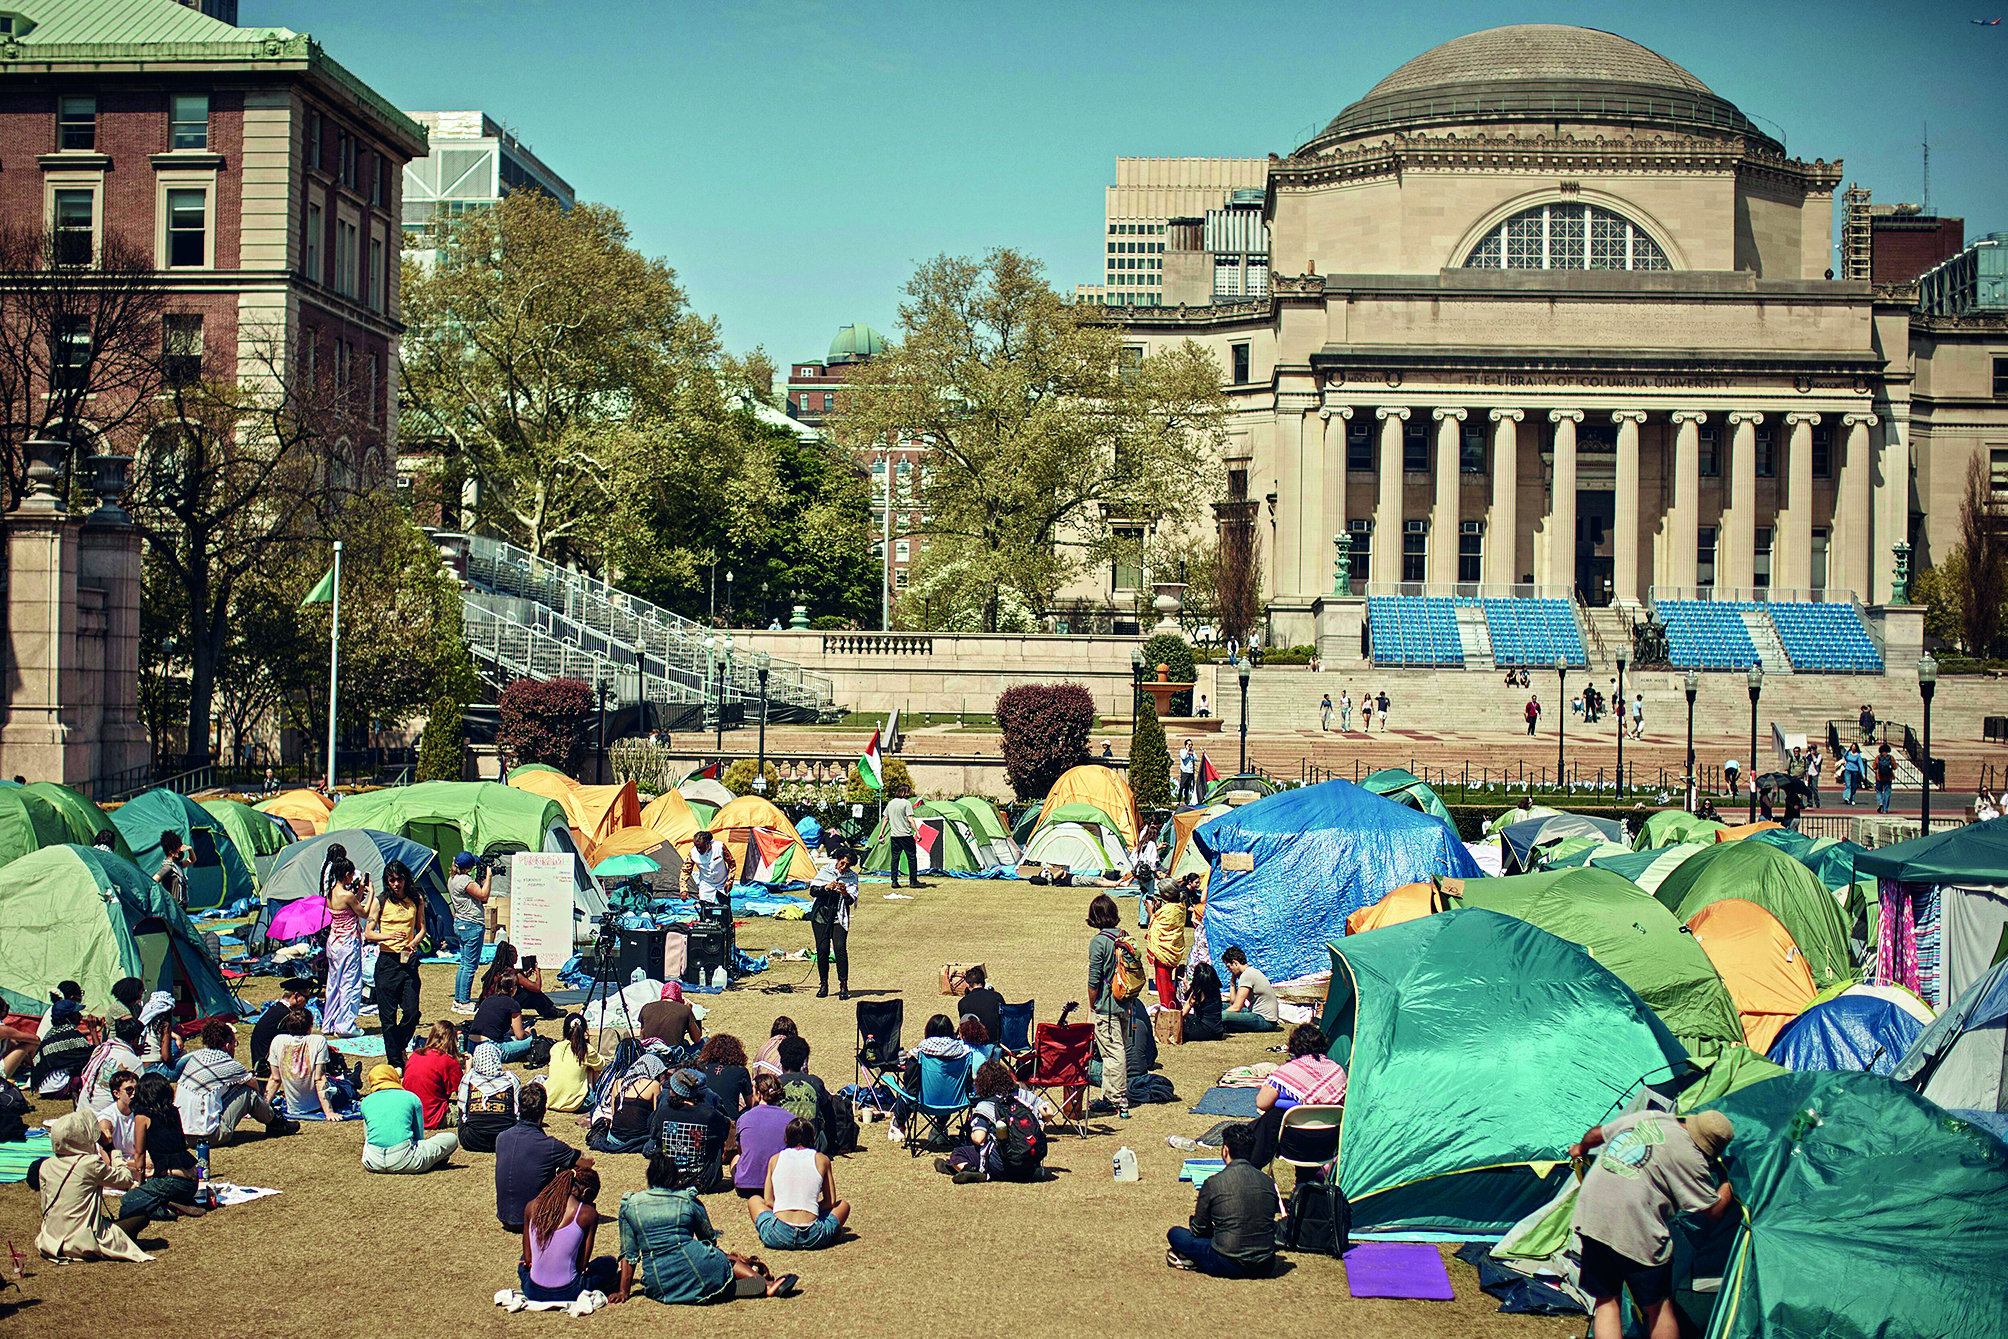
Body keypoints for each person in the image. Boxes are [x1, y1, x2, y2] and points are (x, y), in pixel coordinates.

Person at [1568, 1110, 1736, 1339]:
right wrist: (1730, 1180)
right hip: (1635, 1228)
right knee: (1658, 1307)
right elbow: (1714, 1212)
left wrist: (1581, 1148)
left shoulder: (1650, 1116)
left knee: (1607, 1299)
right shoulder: (1691, 1157)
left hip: (1592, 1215)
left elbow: (1597, 1134)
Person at [613, 1149, 799, 1305]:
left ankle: (712, 1286)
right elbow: (708, 1240)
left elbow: (629, 1255)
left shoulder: (630, 1205)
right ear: (673, 1177)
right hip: (697, 1265)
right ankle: (765, 1285)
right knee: (727, 1258)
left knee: (712, 1259)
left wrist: (623, 1291)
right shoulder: (687, 1200)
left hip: (660, 1285)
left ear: (650, 1177)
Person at [34, 1107, 150, 1263]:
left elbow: (45, 1206)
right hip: (83, 1242)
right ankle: (121, 1241)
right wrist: (111, 1148)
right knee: (142, 1215)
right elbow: (126, 1179)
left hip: (52, 1241)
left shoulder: (47, 1165)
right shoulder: (89, 1164)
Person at [1165, 1121, 1276, 1278]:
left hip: (1228, 1262)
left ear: (1225, 1150)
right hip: (1266, 1264)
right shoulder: (1267, 1182)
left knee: (1175, 1234)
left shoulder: (1214, 1182)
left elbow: (1199, 1230)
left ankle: (1191, 1259)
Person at [175, 1020, 294, 1145]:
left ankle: (275, 1121)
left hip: (182, 1135)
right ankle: (276, 1122)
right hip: (208, 1136)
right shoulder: (228, 1063)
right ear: (227, 1046)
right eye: (234, 1044)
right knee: (248, 1093)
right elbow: (254, 1087)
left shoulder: (196, 1057)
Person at [1249, 1023, 1347, 1169]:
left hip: (1293, 1145)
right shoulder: (1337, 1071)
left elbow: (1262, 1102)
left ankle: (1250, 1167)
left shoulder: (1290, 1070)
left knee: (1274, 1116)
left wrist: (1281, 1103)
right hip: (1327, 1144)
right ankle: (1305, 1184)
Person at [518, 1166, 620, 1305]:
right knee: (609, 1263)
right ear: (586, 1192)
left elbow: (528, 1258)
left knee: (523, 1258)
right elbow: (581, 1266)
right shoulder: (587, 1214)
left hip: (532, 1290)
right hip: (570, 1291)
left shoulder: (532, 1206)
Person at [117, 1073, 205, 1230]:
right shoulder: (172, 1112)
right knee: (151, 1190)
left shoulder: (142, 1116)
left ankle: (166, 1208)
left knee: (127, 1203)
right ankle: (179, 1202)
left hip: (172, 1181)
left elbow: (139, 1154)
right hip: (192, 1182)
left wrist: (141, 1183)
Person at [934, 1058, 1041, 1185]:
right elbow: (1048, 1112)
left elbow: (980, 1139)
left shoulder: (986, 1105)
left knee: (959, 1152)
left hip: (1002, 1166)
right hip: (1029, 1165)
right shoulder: (1023, 1096)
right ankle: (958, 1168)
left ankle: (973, 1171)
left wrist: (971, 1133)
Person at [497, 1083, 588, 1229]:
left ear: (519, 1108)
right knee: (576, 1172)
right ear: (543, 1110)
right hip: (536, 1218)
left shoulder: (502, 1138)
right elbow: (587, 1162)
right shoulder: (550, 1145)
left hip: (505, 1217)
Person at [750, 1116, 850, 1248]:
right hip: (813, 1235)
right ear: (812, 1138)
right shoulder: (822, 1160)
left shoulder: (775, 1159)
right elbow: (830, 1202)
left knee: (754, 1200)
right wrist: (809, 1208)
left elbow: (768, 1201)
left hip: (778, 1233)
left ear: (787, 1138)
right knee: (843, 1205)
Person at [365, 859, 426, 1068]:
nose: (396, 884)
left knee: (412, 1012)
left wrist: (414, 942)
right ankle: (395, 1062)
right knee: (388, 1017)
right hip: (387, 962)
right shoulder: (380, 902)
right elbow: (369, 933)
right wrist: (389, 935)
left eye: (399, 879)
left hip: (408, 961)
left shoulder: (416, 899)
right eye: (391, 880)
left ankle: (398, 1045)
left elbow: (422, 928)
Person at [360, 1063, 459, 1174]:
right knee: (451, 1138)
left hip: (372, 1162)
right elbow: (418, 1137)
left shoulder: (366, 1102)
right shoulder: (411, 1098)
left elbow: (367, 1137)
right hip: (406, 1161)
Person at [1085, 893, 1133, 1120]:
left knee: (1113, 1052)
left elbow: (1094, 978)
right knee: (1117, 1048)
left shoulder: (1099, 942)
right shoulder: (1125, 936)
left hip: (1107, 1005)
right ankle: (1111, 1094)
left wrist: (1092, 1005)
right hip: (1125, 1000)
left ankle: (1115, 1098)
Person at [651, 1067, 734, 1194]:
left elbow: (652, 1131)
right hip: (702, 1180)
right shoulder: (709, 1114)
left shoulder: (663, 1112)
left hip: (668, 1178)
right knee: (717, 1136)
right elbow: (725, 1130)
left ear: (673, 1091)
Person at [265, 1008, 351, 1121]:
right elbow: (319, 1079)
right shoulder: (318, 1041)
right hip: (317, 1104)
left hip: (293, 1107)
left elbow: (275, 1079)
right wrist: (329, 1112)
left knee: (334, 1081)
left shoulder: (277, 1040)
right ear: (310, 1026)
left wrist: (261, 1108)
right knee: (346, 1088)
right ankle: (352, 1080)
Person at [774, 1035, 845, 1152]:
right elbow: (824, 1103)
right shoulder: (815, 1083)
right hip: (814, 1146)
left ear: (781, 1060)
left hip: (783, 1145)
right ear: (803, 1061)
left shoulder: (775, 1084)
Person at [322, 856, 368, 1037]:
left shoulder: (331, 893)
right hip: (348, 942)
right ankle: (346, 1025)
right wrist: (370, 894)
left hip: (334, 941)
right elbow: (363, 912)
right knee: (350, 983)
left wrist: (361, 889)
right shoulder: (347, 895)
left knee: (333, 983)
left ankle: (330, 1023)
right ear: (347, 874)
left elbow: (350, 907)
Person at [807, 845, 859, 999]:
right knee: (822, 949)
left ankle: (843, 985)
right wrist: (826, 887)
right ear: (837, 860)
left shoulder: (852, 877)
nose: (843, 868)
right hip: (821, 915)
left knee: (840, 949)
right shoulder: (826, 870)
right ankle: (823, 984)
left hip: (839, 916)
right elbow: (813, 891)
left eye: (847, 866)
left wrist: (844, 892)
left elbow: (851, 900)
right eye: (842, 863)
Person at [458, 1041, 524, 1154]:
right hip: (506, 1139)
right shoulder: (510, 1080)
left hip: (472, 1140)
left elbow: (462, 1110)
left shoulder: (468, 1079)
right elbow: (517, 1112)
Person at [447, 851, 492, 1016]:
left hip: (460, 923)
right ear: (469, 867)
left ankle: (458, 1000)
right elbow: (483, 895)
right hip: (471, 925)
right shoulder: (465, 881)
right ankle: (464, 1002)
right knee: (470, 966)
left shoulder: (452, 879)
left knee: (464, 964)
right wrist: (489, 877)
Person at [733, 1074, 794, 1196]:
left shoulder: (744, 1118)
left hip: (747, 1186)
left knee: (735, 1159)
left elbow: (741, 1151)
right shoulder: (791, 1119)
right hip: (779, 1185)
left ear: (758, 1092)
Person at [401, 1021, 464, 1129]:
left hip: (410, 1115)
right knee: (474, 1111)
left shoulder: (415, 1055)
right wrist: (469, 1069)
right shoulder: (448, 1062)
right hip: (433, 1117)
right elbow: (464, 1092)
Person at [247, 977, 314, 1078]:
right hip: (266, 1066)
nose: (307, 1003)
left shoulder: (277, 1009)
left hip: (260, 1061)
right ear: (296, 995)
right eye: (306, 998)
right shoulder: (286, 1016)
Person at [79, 1016, 146, 1115]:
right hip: (103, 1116)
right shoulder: (134, 1062)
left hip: (84, 1109)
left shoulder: (105, 1050)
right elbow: (143, 1094)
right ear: (134, 1040)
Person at [468, 970, 539, 1062]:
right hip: (491, 1049)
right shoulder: (513, 1004)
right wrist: (527, 1033)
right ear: (513, 988)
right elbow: (520, 1036)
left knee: (510, 1038)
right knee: (532, 1040)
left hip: (472, 1046)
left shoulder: (488, 1000)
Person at [30, 998, 94, 1098]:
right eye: (77, 1013)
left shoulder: (51, 1034)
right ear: (69, 1017)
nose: (80, 1015)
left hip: (43, 1089)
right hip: (58, 1088)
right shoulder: (72, 1035)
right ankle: (73, 1090)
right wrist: (93, 1030)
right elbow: (96, 1055)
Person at [485, 941, 563, 1020]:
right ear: (510, 956)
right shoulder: (514, 974)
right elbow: (537, 988)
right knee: (533, 993)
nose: (517, 956)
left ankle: (550, 1008)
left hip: (491, 1003)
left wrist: (525, 977)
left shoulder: (495, 971)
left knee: (525, 990)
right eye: (516, 955)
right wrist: (538, 973)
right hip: (504, 1003)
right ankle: (549, 1011)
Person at [547, 1014, 606, 1114]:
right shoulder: (586, 1050)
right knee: (592, 1067)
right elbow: (601, 1065)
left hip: (551, 1100)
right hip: (576, 1105)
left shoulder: (556, 1047)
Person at [1146, 884, 1190, 1008]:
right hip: (1172, 948)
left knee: (1164, 985)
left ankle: (1169, 1009)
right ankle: (1173, 1006)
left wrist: (1150, 912)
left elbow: (1157, 927)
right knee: (1167, 983)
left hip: (1163, 951)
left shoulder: (1169, 909)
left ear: (1165, 895)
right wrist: (1159, 909)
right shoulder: (1180, 906)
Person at [1221, 947, 1279, 1032]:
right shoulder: (1249, 972)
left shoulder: (1247, 975)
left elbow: (1236, 1007)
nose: (1229, 970)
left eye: (1229, 967)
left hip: (1264, 1020)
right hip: (1256, 1015)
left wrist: (1216, 1018)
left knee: (1224, 1016)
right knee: (1221, 1006)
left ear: (1235, 963)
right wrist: (1232, 983)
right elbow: (1233, 1003)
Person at [695, 1033, 753, 1118]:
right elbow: (750, 1103)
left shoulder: (700, 1068)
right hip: (729, 1121)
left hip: (703, 1117)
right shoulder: (741, 1072)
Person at [637, 980, 702, 1052]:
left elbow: (642, 1037)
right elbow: (697, 1039)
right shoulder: (685, 1009)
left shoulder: (646, 1007)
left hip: (650, 1051)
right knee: (703, 1042)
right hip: (673, 1054)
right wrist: (689, 1011)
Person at [883, 787, 925, 890]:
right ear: (905, 792)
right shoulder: (906, 803)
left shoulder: (891, 803)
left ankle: (894, 881)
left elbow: (886, 818)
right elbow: (910, 819)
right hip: (906, 835)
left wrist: (881, 832)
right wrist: (917, 832)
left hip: (894, 836)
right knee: (911, 858)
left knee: (895, 859)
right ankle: (913, 881)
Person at [97, 1069, 142, 1161]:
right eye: (129, 1089)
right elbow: (107, 1156)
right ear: (116, 1094)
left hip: (137, 1161)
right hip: (117, 1165)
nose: (134, 1093)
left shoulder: (141, 1113)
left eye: (137, 1089)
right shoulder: (107, 1118)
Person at [955, 966, 1004, 1051]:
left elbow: (965, 1027)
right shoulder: (997, 997)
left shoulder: (963, 1003)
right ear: (984, 983)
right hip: (997, 1042)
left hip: (975, 1044)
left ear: (967, 985)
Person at [683, 829, 732, 905]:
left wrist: (729, 881)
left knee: (725, 909)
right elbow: (685, 871)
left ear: (707, 843)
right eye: (696, 847)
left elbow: (732, 864)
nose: (698, 850)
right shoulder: (693, 853)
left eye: (701, 847)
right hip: (706, 884)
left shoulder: (719, 847)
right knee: (706, 911)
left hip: (722, 883)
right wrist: (684, 889)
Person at [1182, 961, 1225, 1042]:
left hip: (1206, 1030)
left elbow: (1184, 1012)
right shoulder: (1215, 990)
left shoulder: (1199, 992)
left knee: (1182, 1025)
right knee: (1190, 1018)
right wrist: (1187, 985)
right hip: (1218, 1031)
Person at [1130, 828, 1160, 929]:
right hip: (1147, 873)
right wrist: (1155, 873)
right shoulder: (1151, 844)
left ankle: (1141, 918)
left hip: (1139, 872)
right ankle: (1145, 920)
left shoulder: (1141, 843)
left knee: (1142, 893)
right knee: (1149, 895)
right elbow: (1152, 860)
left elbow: (1132, 857)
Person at [153, 831, 189, 908]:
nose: (180, 851)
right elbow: (154, 880)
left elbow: (192, 860)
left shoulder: (177, 865)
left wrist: (190, 849)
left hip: (182, 906)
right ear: (171, 852)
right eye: (178, 849)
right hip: (174, 907)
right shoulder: (168, 868)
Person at [1874, 743, 1897, 814]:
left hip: (1879, 777)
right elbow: (1895, 767)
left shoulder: (1878, 757)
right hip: (1888, 777)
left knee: (1878, 791)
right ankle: (1885, 809)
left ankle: (1880, 802)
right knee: (1887, 793)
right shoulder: (1890, 757)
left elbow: (1874, 766)